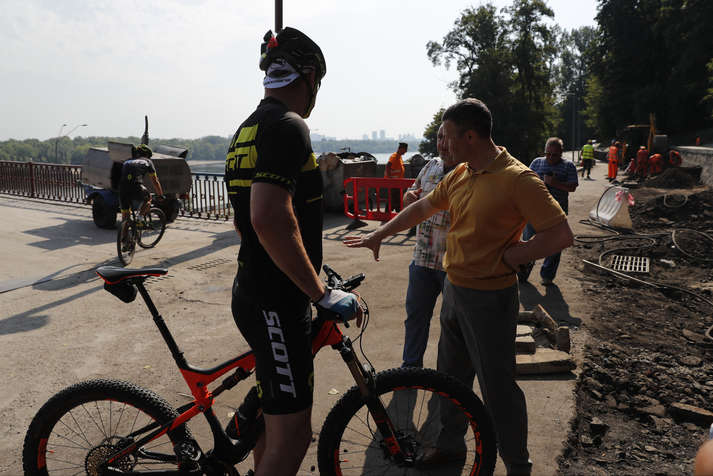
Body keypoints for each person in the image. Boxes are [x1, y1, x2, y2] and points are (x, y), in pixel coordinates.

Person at [345, 98, 574, 476]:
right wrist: (380, 233)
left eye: (447, 136)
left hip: (490, 299)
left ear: (470, 137)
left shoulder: (518, 179)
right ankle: (447, 447)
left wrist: (516, 256)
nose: (442, 144)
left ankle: (518, 464)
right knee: (448, 381)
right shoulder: (462, 173)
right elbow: (423, 208)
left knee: (497, 388)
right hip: (454, 289)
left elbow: (560, 233)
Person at [224, 27, 360, 476]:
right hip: (276, 303)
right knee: (295, 435)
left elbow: (245, 222)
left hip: (254, 289)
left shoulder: (247, 128)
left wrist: (307, 267)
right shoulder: (289, 126)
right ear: (310, 78)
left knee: (271, 422)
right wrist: (318, 291)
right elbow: (268, 218)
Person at [400, 124, 458, 368]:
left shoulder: (470, 172)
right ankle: (411, 368)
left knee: (453, 324)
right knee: (415, 317)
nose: (442, 143)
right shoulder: (431, 165)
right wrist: (408, 197)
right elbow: (410, 195)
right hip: (422, 259)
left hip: (453, 264)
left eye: (448, 138)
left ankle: (449, 376)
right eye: (439, 137)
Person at [518, 138, 578, 286]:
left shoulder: (568, 166)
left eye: (554, 155)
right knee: (528, 243)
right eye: (548, 154)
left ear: (561, 153)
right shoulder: (536, 162)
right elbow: (525, 181)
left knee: (555, 245)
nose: (550, 157)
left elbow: (572, 187)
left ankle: (547, 275)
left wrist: (554, 183)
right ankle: (523, 273)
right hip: (534, 211)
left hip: (557, 213)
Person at [118, 144, 164, 221]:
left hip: (122, 188)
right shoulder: (147, 161)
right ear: (147, 155)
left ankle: (125, 225)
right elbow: (155, 181)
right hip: (135, 186)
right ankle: (139, 218)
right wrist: (160, 195)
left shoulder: (127, 161)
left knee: (125, 216)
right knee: (148, 198)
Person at [384, 142, 408, 213]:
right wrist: (390, 179)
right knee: (395, 199)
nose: (406, 151)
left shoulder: (399, 157)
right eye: (405, 149)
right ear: (401, 149)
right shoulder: (394, 156)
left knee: (395, 199)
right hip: (393, 183)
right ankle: (394, 213)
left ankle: (392, 213)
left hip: (397, 183)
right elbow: (388, 166)